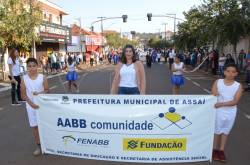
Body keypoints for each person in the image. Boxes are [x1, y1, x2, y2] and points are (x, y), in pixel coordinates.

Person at [211, 64, 242, 162]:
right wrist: (215, 93)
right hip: (218, 111)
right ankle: (214, 149)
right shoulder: (218, 82)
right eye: (228, 71)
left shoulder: (238, 85)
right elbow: (213, 92)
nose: (230, 73)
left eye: (233, 72)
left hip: (230, 111)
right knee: (217, 130)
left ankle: (221, 150)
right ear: (224, 72)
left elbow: (235, 101)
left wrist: (221, 104)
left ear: (236, 74)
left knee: (225, 131)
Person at [20, 58, 49, 156]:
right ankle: (39, 146)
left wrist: (39, 94)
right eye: (29, 66)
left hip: (42, 105)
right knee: (35, 127)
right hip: (30, 107)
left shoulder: (43, 77)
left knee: (44, 125)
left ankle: (47, 145)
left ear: (37, 66)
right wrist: (31, 104)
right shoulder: (24, 79)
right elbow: (23, 95)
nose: (32, 68)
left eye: (33, 66)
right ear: (27, 67)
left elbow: (47, 90)